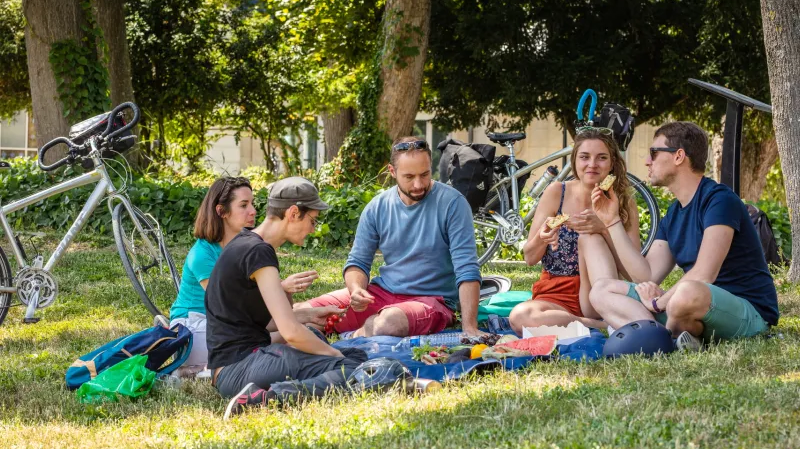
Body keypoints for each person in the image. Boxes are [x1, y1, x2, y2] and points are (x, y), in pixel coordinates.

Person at [586, 121, 779, 346]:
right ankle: (663, 339)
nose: (647, 161)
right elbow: (646, 275)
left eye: (654, 153)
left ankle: (663, 335)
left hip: (746, 312)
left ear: (678, 156)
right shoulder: (674, 213)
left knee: (687, 292)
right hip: (689, 309)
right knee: (602, 290)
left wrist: (658, 303)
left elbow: (705, 273)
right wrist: (611, 221)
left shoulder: (719, 200)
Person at [206, 177, 367, 419]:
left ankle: (281, 389)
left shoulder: (247, 243)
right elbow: (290, 332)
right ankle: (272, 398)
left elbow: (257, 321)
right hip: (239, 369)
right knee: (351, 366)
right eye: (312, 220)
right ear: (293, 213)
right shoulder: (257, 251)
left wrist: (307, 315)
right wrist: (335, 356)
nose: (313, 229)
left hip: (234, 366)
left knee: (342, 350)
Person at [298, 137, 484, 337]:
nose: (418, 184)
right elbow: (357, 262)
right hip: (381, 294)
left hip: (431, 300)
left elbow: (467, 268)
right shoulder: (377, 207)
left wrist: (469, 327)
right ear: (392, 171)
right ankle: (341, 331)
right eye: (409, 176)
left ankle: (351, 336)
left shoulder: (453, 203)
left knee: (387, 324)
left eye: (425, 174)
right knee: (300, 312)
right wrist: (356, 290)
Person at [166, 176, 335, 375]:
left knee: (292, 331)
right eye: (243, 205)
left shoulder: (246, 245)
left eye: (252, 203)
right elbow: (232, 308)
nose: (253, 211)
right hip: (194, 327)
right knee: (275, 337)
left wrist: (298, 315)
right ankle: (194, 370)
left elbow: (253, 313)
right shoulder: (202, 255)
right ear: (222, 212)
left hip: (227, 327)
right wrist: (290, 306)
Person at [509, 128, 642, 334]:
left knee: (591, 237)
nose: (592, 164)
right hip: (556, 295)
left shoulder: (624, 202)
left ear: (612, 162)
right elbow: (529, 258)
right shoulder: (557, 192)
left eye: (602, 158)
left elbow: (633, 273)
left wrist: (605, 229)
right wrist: (542, 238)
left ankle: (593, 318)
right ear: (575, 161)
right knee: (520, 316)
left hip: (599, 292)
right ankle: (597, 325)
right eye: (584, 157)